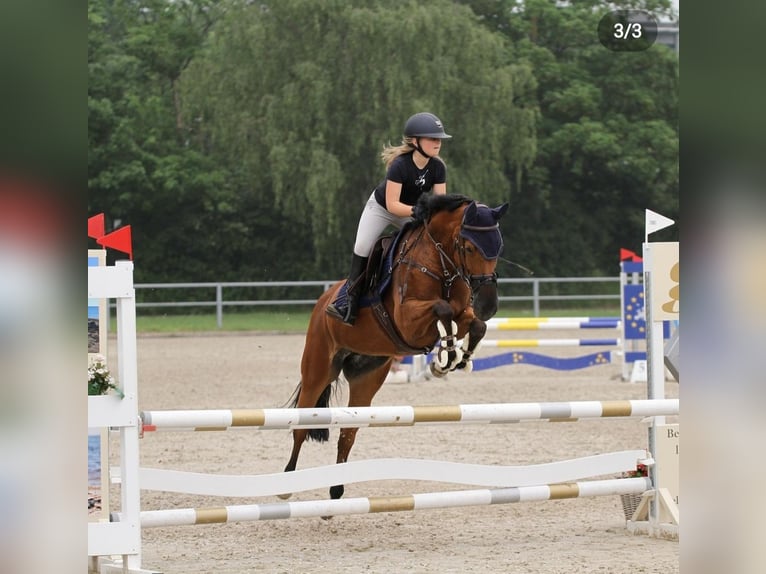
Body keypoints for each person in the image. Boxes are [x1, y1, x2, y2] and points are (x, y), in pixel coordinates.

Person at [326, 112, 452, 325]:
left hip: (411, 211)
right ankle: (348, 301)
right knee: (363, 245)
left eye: (438, 139)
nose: (437, 142)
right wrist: (417, 211)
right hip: (381, 208)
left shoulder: (438, 167)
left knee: (433, 241)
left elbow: (440, 201)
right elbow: (393, 205)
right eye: (432, 138)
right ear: (415, 141)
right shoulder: (400, 165)